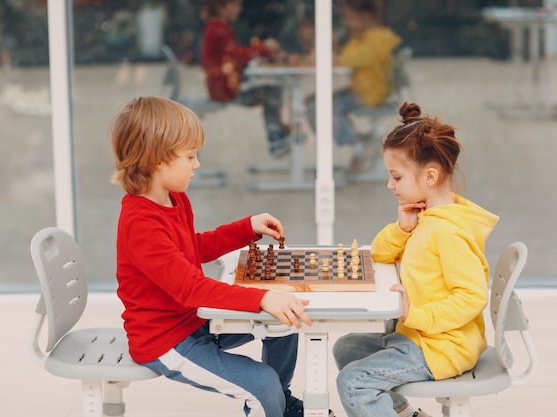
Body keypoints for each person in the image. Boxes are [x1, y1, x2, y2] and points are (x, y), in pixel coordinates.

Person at [110, 96, 312, 417]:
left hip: (195, 322)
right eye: (190, 156)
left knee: (283, 320)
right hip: (167, 341)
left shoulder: (174, 199)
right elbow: (190, 289)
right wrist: (260, 298)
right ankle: (270, 399)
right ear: (157, 160)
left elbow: (194, 248)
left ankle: (280, 403)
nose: (197, 164)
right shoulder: (140, 224)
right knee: (261, 384)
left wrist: (246, 227)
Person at [331, 101, 499, 417]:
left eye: (396, 177)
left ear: (430, 176)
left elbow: (472, 297)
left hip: (441, 347)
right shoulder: (424, 217)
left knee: (353, 382)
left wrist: (417, 313)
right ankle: (407, 413)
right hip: (419, 337)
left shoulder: (449, 232)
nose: (389, 185)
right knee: (346, 348)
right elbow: (379, 254)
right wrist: (402, 228)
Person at [306, 0, 401, 172]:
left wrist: (332, 49)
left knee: (318, 108)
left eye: (350, 18)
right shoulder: (367, 38)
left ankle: (357, 145)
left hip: (370, 94)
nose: (347, 23)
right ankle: (357, 140)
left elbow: (347, 59)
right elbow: (346, 56)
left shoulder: (377, 38)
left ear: (365, 18)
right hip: (365, 90)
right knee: (315, 101)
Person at [201, 0, 290, 157]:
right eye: (235, 5)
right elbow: (237, 56)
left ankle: (279, 133)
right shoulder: (219, 30)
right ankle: (277, 138)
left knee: (270, 90)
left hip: (225, 87)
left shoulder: (218, 28)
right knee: (270, 92)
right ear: (220, 6)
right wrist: (264, 48)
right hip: (225, 90)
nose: (239, 9)